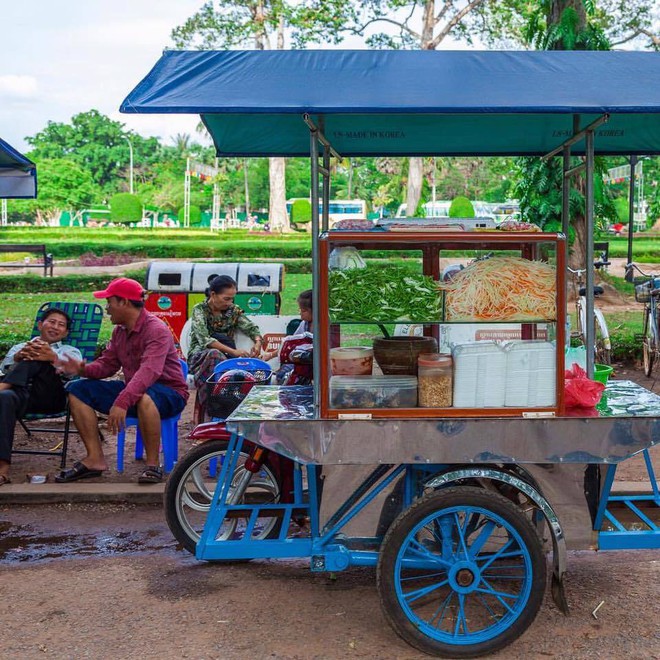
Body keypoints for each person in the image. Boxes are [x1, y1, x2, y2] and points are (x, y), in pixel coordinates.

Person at [55, 278, 188, 485]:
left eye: (109, 302)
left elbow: (149, 372)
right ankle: (95, 459)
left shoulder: (156, 329)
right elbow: (107, 365)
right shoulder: (119, 332)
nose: (107, 308)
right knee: (77, 389)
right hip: (135, 390)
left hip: (169, 394)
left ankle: (152, 466)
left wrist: (121, 402)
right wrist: (82, 369)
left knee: (144, 397)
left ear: (124, 302)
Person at [0, 307, 82, 486]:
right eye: (51, 322)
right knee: (5, 398)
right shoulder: (19, 348)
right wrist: (18, 357)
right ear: (40, 325)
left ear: (66, 332)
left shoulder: (70, 351)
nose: (55, 327)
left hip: (50, 397)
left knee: (40, 354)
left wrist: (51, 356)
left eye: (61, 325)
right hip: (20, 398)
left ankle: (2, 387)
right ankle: (2, 468)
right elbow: (3, 370)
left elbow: (72, 372)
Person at [187, 275, 263, 414]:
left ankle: (227, 404)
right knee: (215, 355)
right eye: (226, 298)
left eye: (232, 299)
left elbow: (251, 328)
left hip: (226, 359)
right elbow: (205, 340)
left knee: (248, 366)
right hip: (200, 358)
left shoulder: (233, 311)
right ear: (213, 294)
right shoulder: (200, 310)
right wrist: (233, 352)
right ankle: (214, 404)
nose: (229, 302)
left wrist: (258, 342)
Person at [263, 289, 313, 385]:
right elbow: (291, 344)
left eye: (304, 310)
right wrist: (269, 355)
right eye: (300, 310)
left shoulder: (324, 326)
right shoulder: (304, 324)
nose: (300, 313)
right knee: (282, 375)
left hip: (312, 363)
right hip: (300, 361)